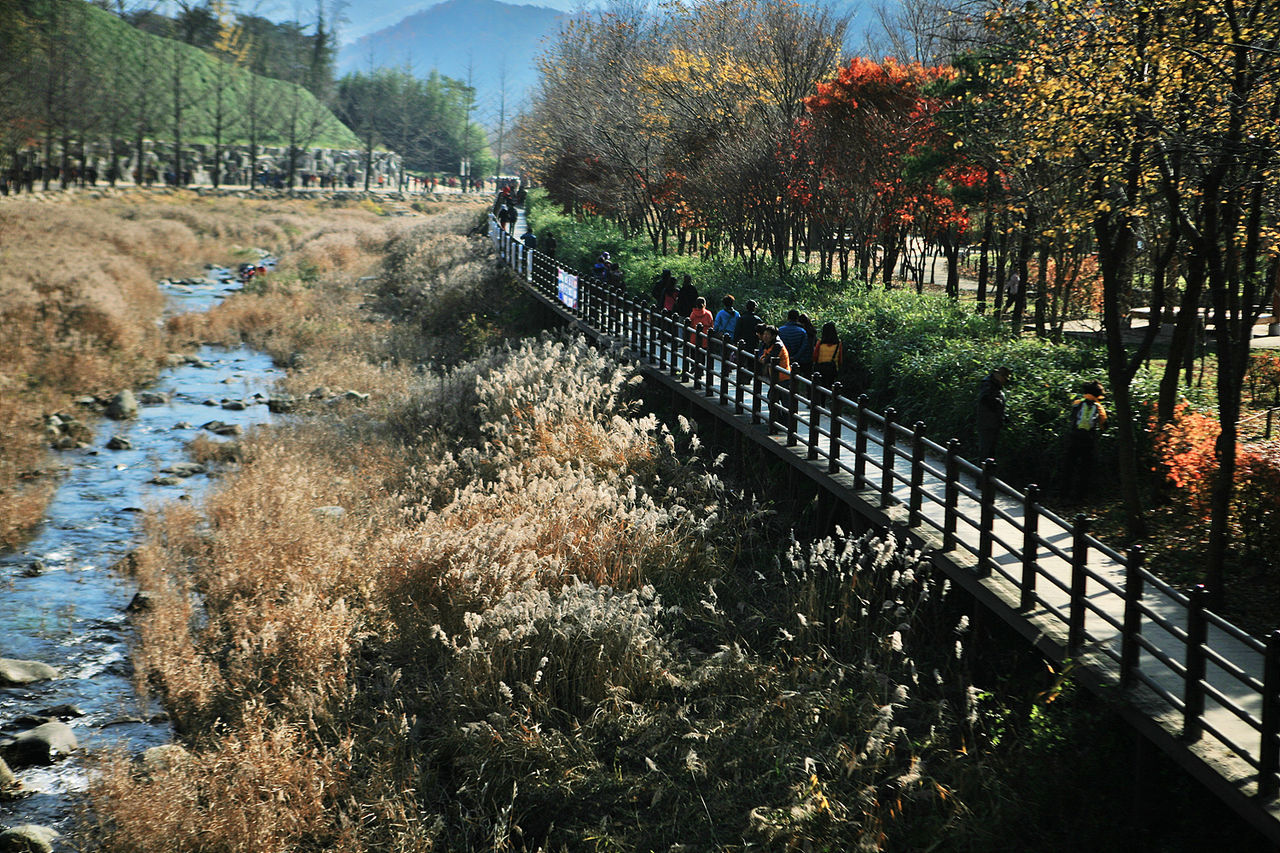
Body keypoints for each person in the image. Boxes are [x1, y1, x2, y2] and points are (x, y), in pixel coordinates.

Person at [1062, 381, 1108, 500]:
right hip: (1088, 441)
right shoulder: (1099, 408)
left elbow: (1071, 419)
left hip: (1074, 438)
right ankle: (1079, 496)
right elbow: (1104, 426)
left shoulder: (1077, 403)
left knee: (1069, 467)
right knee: (1084, 469)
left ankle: (1065, 494)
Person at [756, 325, 792, 430]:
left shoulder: (777, 345)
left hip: (784, 378)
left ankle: (785, 425)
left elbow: (768, 359)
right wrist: (763, 358)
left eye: (768, 334)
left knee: (785, 403)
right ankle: (778, 423)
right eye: (765, 334)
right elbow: (762, 356)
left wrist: (763, 359)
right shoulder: (768, 344)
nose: (765, 336)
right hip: (776, 378)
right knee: (772, 399)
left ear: (773, 336)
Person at [975, 366, 1012, 461]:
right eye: (1004, 378)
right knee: (986, 451)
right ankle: (983, 474)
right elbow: (987, 400)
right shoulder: (988, 385)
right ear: (999, 376)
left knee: (989, 451)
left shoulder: (993, 385)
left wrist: (1003, 416)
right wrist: (998, 405)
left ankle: (985, 473)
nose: (1004, 381)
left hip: (992, 423)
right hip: (988, 424)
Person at [811, 321, 843, 404]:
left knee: (821, 386)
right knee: (832, 386)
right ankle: (832, 404)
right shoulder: (838, 344)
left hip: (821, 368)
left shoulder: (820, 343)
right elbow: (840, 359)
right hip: (832, 368)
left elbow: (815, 356)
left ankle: (822, 404)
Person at [777, 310, 809, 375]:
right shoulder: (802, 331)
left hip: (783, 359)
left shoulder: (780, 330)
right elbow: (804, 347)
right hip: (798, 361)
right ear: (797, 318)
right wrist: (795, 357)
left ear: (788, 318)